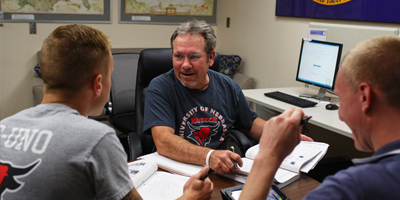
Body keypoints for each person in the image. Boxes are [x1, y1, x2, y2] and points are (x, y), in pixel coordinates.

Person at [0, 24, 212, 200]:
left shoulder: (4, 127)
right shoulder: (96, 139)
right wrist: (190, 197)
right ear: (98, 84)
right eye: (111, 74)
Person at [240, 35, 400, 199]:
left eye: (342, 98)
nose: (340, 115)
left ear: (365, 97)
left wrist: (268, 156)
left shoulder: (351, 188)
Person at [143, 20, 312, 175]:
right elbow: (164, 142)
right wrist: (210, 156)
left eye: (194, 56)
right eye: (178, 56)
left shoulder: (228, 86)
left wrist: (281, 133)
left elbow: (251, 124)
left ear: (210, 58)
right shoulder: (160, 87)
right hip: (175, 172)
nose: (185, 65)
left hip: (220, 172)